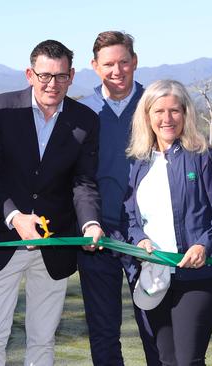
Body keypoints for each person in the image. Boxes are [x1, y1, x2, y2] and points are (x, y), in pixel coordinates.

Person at [0, 39, 104, 365]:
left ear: (72, 76)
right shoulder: (0, 109)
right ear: (29, 74)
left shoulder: (85, 119)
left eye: (60, 76)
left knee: (43, 341)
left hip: (55, 244)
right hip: (2, 240)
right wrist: (15, 218)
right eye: (45, 75)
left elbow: (83, 182)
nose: (52, 84)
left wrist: (90, 222)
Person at [124, 79, 212, 366]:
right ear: (146, 116)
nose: (167, 118)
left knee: (188, 361)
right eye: (159, 111)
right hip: (153, 277)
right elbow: (129, 218)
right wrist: (139, 239)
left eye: (174, 110)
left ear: (186, 114)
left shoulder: (203, 158)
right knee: (162, 361)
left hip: (197, 280)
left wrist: (203, 245)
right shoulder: (136, 163)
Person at [77, 31, 160, 365]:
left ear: (135, 62)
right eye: (108, 64)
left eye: (124, 62)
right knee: (104, 333)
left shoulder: (155, 105)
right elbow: (77, 177)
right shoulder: (82, 111)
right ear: (94, 66)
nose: (117, 70)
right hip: (98, 235)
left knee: (156, 329)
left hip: (149, 238)